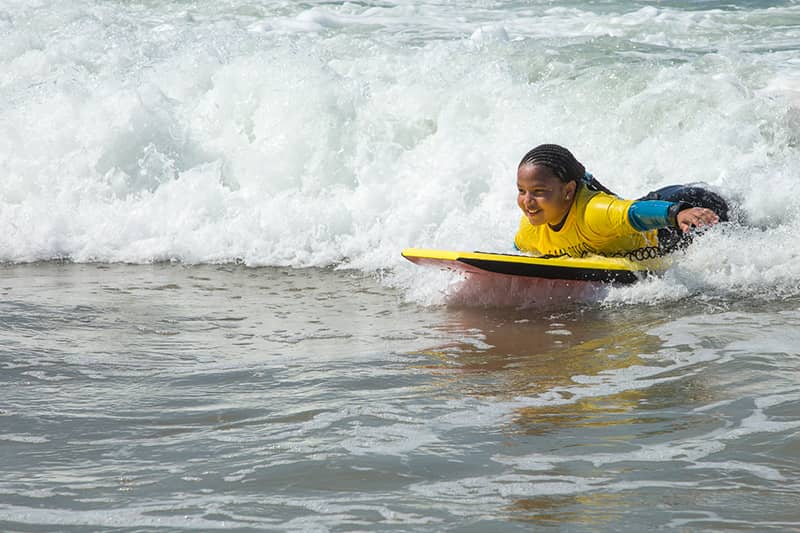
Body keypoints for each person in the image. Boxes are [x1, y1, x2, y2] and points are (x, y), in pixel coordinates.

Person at [514, 144, 729, 258]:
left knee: (740, 221)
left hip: (680, 211)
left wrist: (678, 213)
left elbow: (634, 214)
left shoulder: (593, 212)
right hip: (656, 209)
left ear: (568, 191)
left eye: (538, 191)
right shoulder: (531, 228)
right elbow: (514, 255)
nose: (527, 201)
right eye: (521, 191)